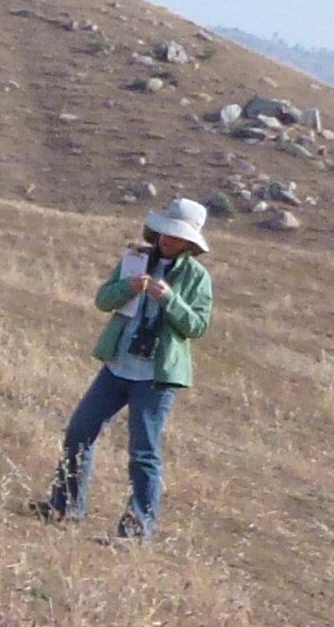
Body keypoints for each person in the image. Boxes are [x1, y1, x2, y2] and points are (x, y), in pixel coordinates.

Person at [41, 199, 213, 539]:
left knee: (143, 453)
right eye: (165, 232)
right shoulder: (135, 260)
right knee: (78, 433)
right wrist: (127, 287)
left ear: (189, 243)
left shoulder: (197, 277)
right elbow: (103, 300)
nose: (167, 239)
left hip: (155, 377)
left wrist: (170, 300)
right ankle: (65, 507)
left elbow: (196, 327)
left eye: (176, 236)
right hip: (117, 365)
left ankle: (135, 531)